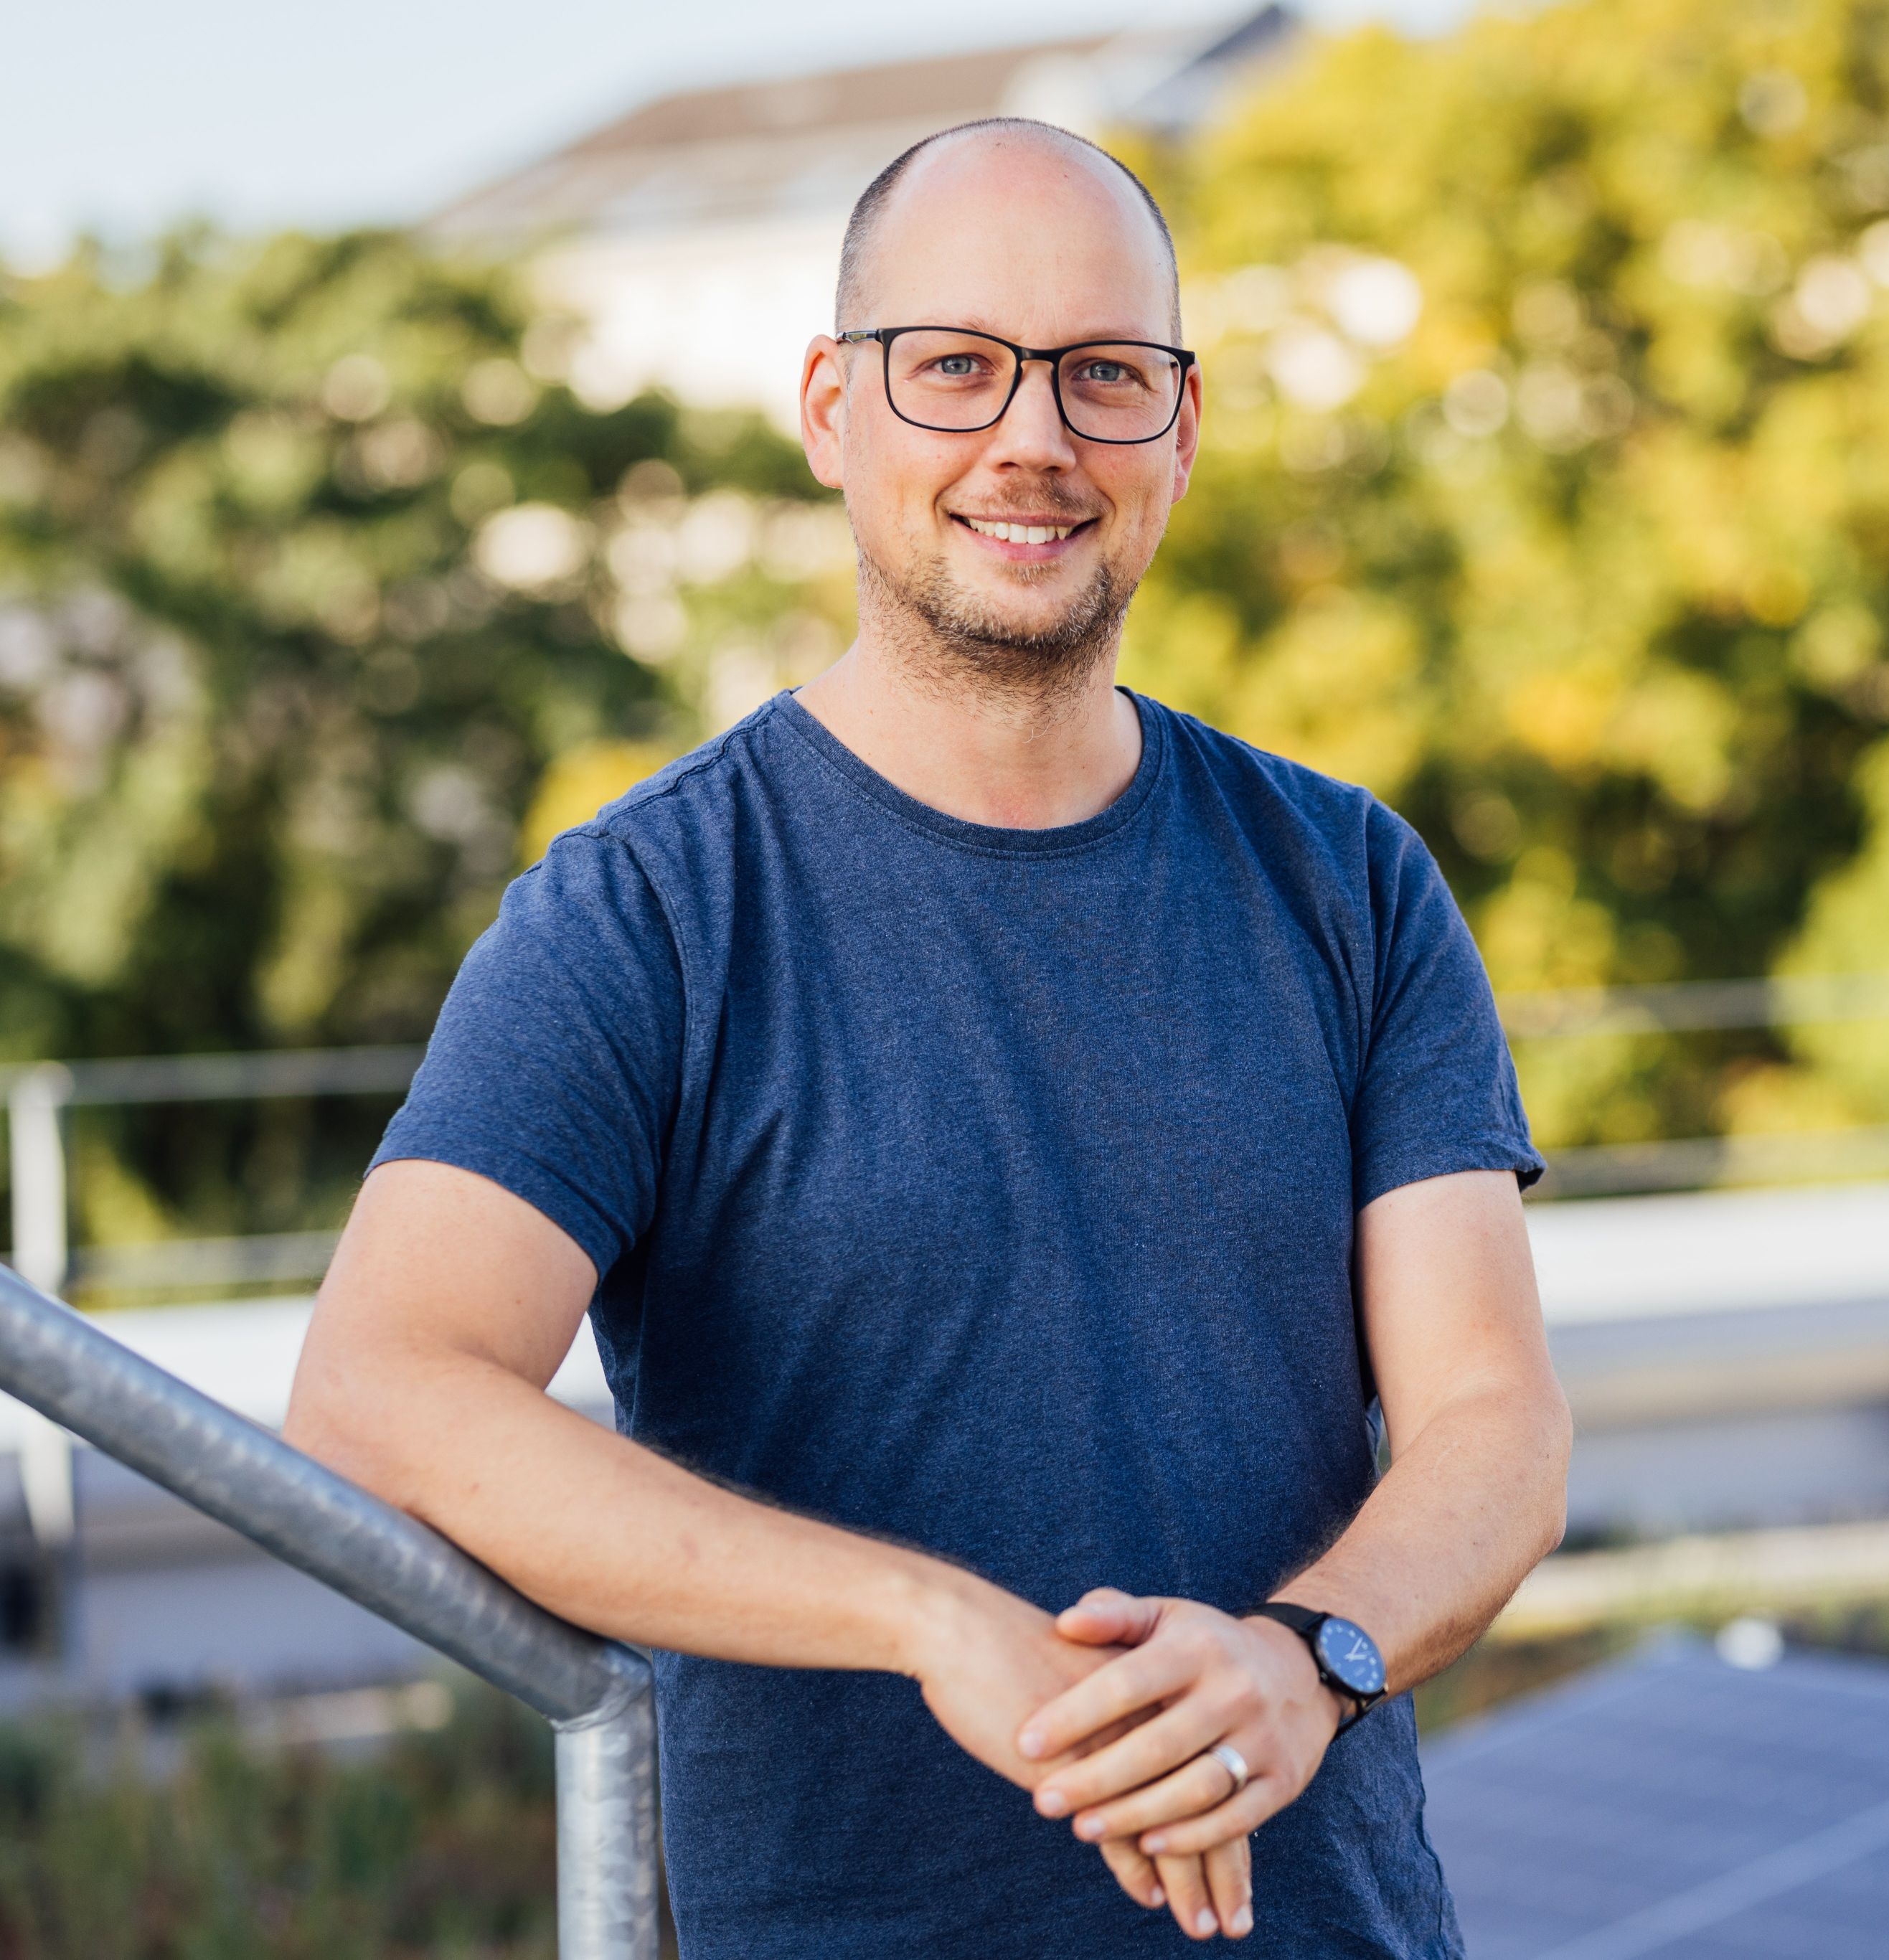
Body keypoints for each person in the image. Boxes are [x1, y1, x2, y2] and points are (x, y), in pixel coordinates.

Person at [283, 116, 1570, 1957]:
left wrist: (1308, 1657)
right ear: (832, 409)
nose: (1032, 437)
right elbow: (383, 1389)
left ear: (1181, 429)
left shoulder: (1347, 878)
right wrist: (925, 1618)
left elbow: (1492, 1419)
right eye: (954, 365)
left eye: (1103, 373)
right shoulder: (646, 914)